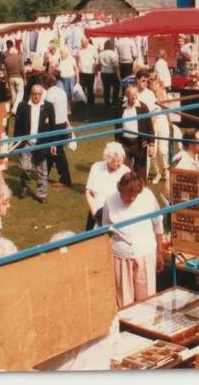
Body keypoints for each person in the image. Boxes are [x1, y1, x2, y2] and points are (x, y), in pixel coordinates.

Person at [101, 172, 164, 308]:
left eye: (135, 195)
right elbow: (105, 230)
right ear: (120, 190)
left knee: (146, 297)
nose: (132, 198)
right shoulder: (110, 201)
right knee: (124, 298)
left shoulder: (147, 196)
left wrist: (159, 252)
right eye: (128, 195)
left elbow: (158, 225)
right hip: (120, 255)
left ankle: (145, 325)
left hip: (145, 251)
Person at [12, 83, 56, 202]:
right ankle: (24, 186)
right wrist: (16, 142)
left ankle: (42, 194)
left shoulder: (48, 106)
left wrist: (53, 144)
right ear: (31, 94)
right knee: (25, 167)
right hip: (26, 142)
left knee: (42, 172)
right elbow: (17, 126)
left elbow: (53, 127)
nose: (36, 96)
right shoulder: (22, 106)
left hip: (42, 143)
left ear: (42, 94)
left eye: (39, 94)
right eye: (34, 94)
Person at [84, 142, 131, 230]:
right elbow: (88, 192)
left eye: (121, 160)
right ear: (108, 159)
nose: (119, 164)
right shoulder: (96, 167)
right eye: (115, 161)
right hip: (95, 211)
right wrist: (95, 214)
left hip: (115, 215)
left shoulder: (126, 171)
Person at [41, 73, 72, 187]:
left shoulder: (49, 95)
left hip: (54, 126)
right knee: (52, 151)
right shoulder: (61, 92)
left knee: (58, 152)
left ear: (45, 84)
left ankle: (66, 179)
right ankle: (46, 173)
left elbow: (47, 114)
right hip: (62, 124)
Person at [118, 85, 152, 179]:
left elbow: (149, 126)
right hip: (124, 143)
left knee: (141, 171)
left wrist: (151, 144)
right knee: (124, 170)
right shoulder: (121, 107)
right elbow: (117, 126)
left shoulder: (143, 107)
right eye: (131, 95)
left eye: (135, 95)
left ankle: (142, 191)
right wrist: (117, 143)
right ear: (127, 95)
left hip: (139, 143)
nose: (134, 97)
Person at [77, 38, 99, 107]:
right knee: (82, 88)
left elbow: (97, 59)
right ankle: (82, 102)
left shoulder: (93, 48)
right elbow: (77, 58)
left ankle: (91, 103)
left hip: (90, 71)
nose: (83, 44)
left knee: (90, 88)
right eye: (82, 43)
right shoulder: (79, 49)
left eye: (84, 43)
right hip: (82, 71)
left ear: (87, 42)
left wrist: (96, 70)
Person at [99, 39, 121, 108]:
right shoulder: (113, 53)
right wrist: (117, 74)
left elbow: (98, 64)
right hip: (112, 73)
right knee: (116, 87)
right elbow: (115, 65)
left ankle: (107, 103)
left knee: (106, 88)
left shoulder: (101, 54)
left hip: (104, 73)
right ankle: (114, 102)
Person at [3, 45, 25, 110]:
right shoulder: (19, 57)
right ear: (16, 52)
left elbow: (5, 72)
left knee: (13, 94)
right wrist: (25, 79)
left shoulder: (6, 59)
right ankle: (15, 109)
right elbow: (22, 69)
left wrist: (6, 82)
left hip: (10, 78)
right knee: (20, 93)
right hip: (18, 77)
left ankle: (15, 109)